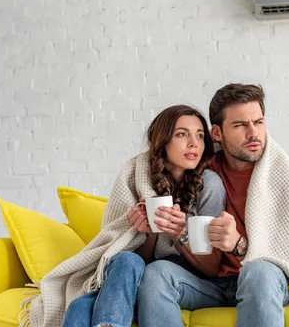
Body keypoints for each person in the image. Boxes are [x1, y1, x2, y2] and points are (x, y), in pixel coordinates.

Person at [137, 84, 289, 327]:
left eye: (258, 122)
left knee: (258, 273)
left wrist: (239, 245)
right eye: (240, 125)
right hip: (210, 283)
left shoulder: (286, 178)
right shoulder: (200, 172)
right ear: (216, 134)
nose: (253, 133)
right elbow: (156, 161)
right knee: (157, 273)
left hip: (265, 281)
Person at [60, 105, 225, 327]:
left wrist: (180, 233)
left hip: (190, 280)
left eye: (200, 135)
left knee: (86, 303)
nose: (193, 143)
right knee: (88, 296)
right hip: (142, 275)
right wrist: (147, 233)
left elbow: (211, 268)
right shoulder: (136, 176)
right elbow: (133, 258)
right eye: (181, 134)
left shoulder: (209, 184)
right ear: (162, 140)